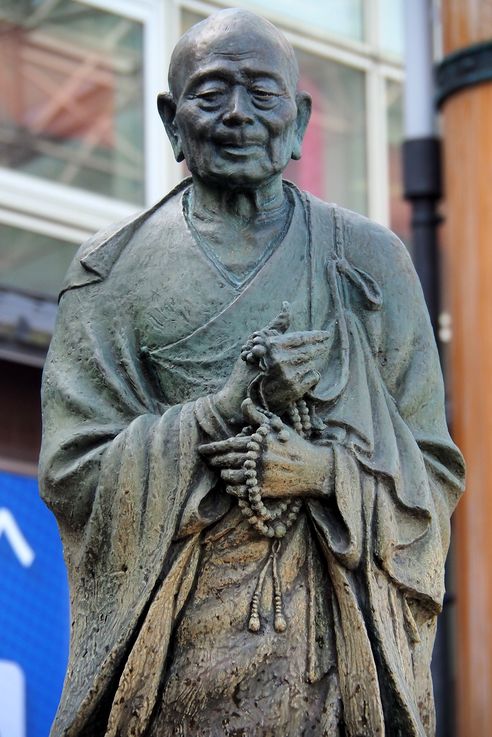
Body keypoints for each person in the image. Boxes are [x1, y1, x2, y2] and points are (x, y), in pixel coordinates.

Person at [39, 9, 464, 737]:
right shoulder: (110, 273)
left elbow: (432, 471)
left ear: (298, 120)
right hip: (171, 641)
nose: (237, 114)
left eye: (261, 95)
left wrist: (322, 472)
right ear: (173, 121)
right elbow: (73, 472)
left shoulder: (370, 262)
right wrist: (217, 413)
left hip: (326, 640)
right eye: (212, 94)